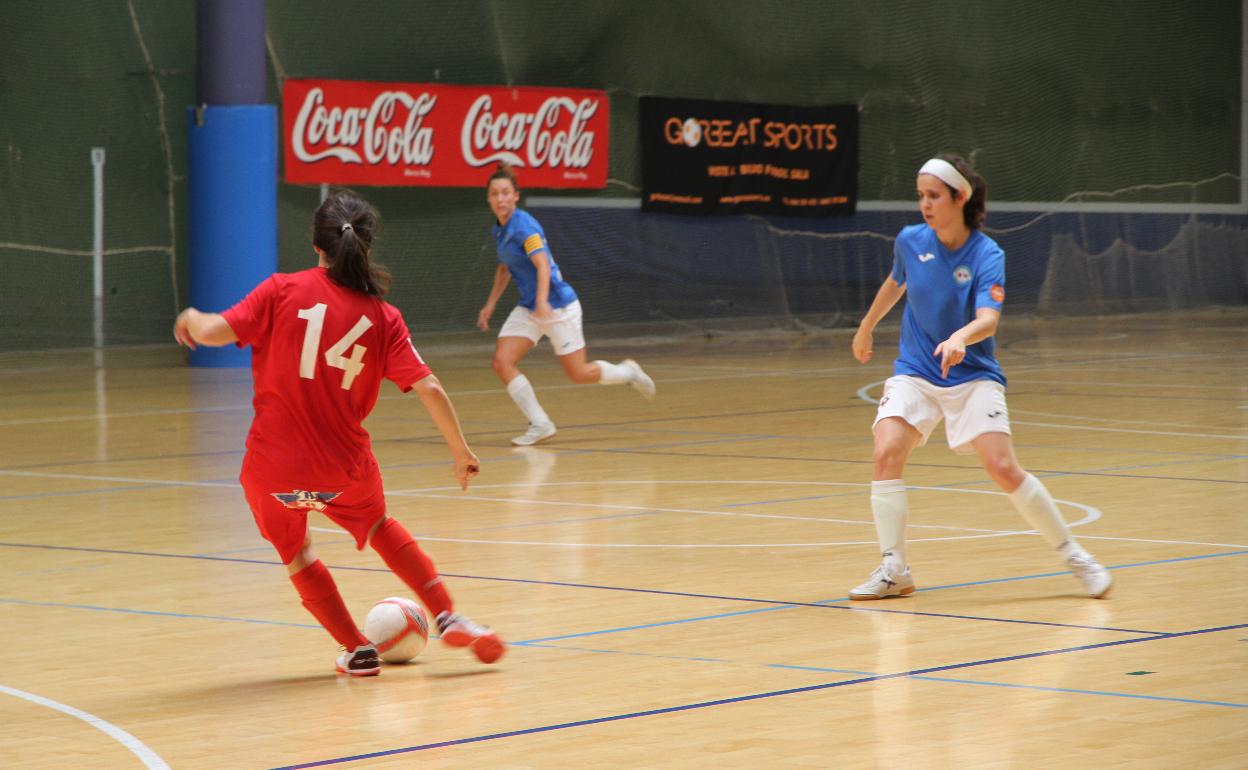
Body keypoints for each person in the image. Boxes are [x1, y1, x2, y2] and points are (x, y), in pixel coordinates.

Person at [173, 189, 506, 676]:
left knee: (298, 550)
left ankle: (357, 647)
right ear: (365, 247)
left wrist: (191, 319)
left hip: (275, 472)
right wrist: (461, 452)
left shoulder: (282, 290)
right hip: (343, 471)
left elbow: (213, 331)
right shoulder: (383, 318)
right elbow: (428, 386)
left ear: (317, 246)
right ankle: (446, 612)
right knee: (378, 527)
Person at [847, 154, 1112, 601]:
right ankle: (895, 569)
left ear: (959, 198)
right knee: (886, 451)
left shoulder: (987, 254)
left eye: (933, 196)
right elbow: (896, 282)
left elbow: (989, 319)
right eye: (921, 196)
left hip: (972, 376)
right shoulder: (911, 241)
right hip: (916, 371)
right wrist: (867, 325)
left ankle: (1075, 555)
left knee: (1003, 467)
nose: (925, 205)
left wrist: (960, 338)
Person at [476, 164, 655, 446]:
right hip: (530, 307)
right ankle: (541, 423)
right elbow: (504, 269)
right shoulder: (499, 230)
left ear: (516, 196)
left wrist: (543, 302)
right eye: (495, 193)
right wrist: (490, 305)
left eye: (505, 193)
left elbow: (542, 266)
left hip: (557, 306)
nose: (500, 199)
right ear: (488, 198)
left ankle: (628, 372)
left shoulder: (525, 226)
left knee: (578, 373)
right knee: (502, 362)